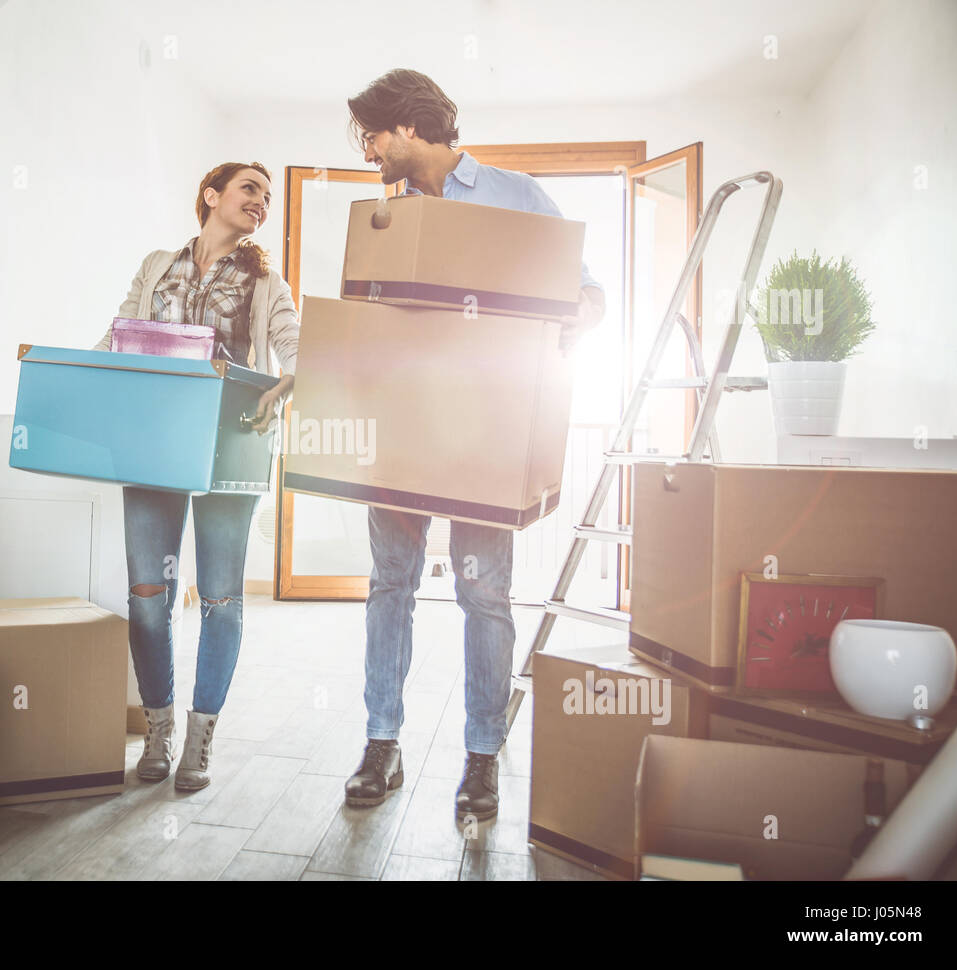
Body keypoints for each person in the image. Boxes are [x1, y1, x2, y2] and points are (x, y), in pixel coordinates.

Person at [341, 70, 606, 820]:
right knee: (390, 581)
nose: (369, 152)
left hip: (488, 428)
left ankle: (482, 756)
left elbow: (589, 294)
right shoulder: (389, 219)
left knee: (481, 592)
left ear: (410, 127)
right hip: (402, 425)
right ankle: (380, 745)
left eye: (373, 135)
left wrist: (564, 314)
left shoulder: (516, 195)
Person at [95, 162, 299, 791]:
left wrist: (291, 379)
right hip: (153, 440)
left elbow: (292, 348)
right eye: (249, 190)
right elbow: (118, 335)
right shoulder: (157, 264)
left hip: (228, 442)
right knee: (148, 595)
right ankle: (157, 731)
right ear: (211, 196)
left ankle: (200, 736)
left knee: (219, 597)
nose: (260, 202)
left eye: (267, 196)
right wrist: (76, 380)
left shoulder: (268, 282)